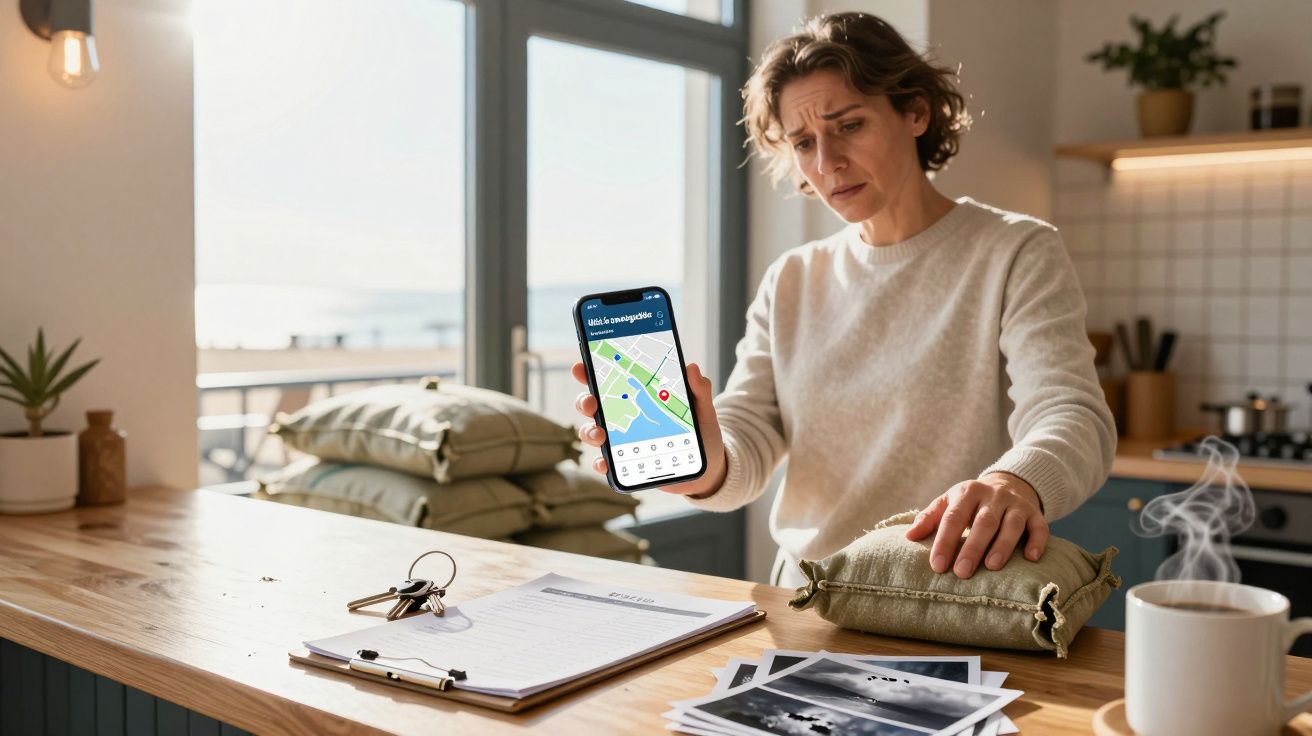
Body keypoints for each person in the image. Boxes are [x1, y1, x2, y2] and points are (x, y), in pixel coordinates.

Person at [571, 12, 1115, 587]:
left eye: (849, 126)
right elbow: (749, 437)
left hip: (951, 599)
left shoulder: (1015, 251)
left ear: (915, 112)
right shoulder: (791, 279)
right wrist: (706, 462)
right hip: (807, 599)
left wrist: (1015, 482)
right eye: (804, 142)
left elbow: (1072, 414)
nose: (827, 163)